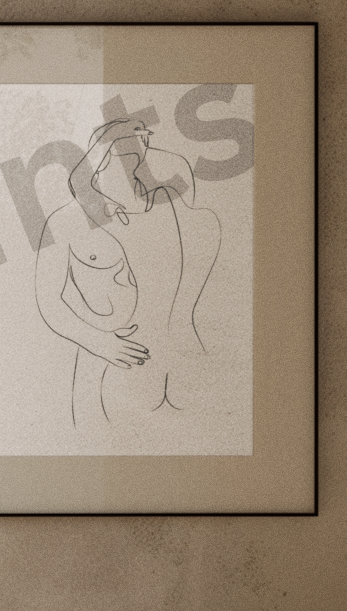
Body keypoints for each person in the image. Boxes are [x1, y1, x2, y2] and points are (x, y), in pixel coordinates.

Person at [33, 113, 221, 433]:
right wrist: (100, 343)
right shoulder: (66, 220)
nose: (137, 162)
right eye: (121, 153)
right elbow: (49, 300)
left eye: (141, 150)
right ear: (98, 161)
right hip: (112, 367)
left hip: (179, 365)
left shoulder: (171, 207)